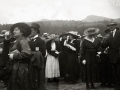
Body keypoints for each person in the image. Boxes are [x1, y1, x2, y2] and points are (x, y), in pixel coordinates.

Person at [7, 23, 32, 90]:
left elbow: (27, 53)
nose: (13, 31)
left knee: (20, 86)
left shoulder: (22, 41)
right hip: (16, 68)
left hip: (21, 68)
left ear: (22, 32)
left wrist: (14, 56)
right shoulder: (17, 41)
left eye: (16, 30)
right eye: (13, 30)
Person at [102, 22, 120, 90]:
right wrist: (104, 40)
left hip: (118, 55)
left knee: (118, 71)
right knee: (113, 72)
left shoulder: (119, 33)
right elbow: (103, 45)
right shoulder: (108, 35)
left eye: (112, 25)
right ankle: (116, 86)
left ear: (115, 26)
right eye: (109, 26)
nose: (111, 27)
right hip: (111, 56)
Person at [29, 23, 46, 90]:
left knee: (37, 80)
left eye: (31, 30)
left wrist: (32, 54)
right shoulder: (30, 40)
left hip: (36, 64)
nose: (30, 32)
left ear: (35, 31)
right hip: (30, 64)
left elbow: (43, 53)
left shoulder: (41, 41)